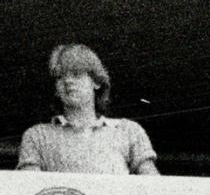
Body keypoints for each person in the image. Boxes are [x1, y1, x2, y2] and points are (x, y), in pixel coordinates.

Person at [18, 44, 159, 175]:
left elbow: (156, 188)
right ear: (55, 89)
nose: (68, 81)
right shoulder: (37, 137)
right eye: (60, 77)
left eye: (76, 74)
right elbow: (29, 189)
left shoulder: (128, 131)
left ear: (96, 81)